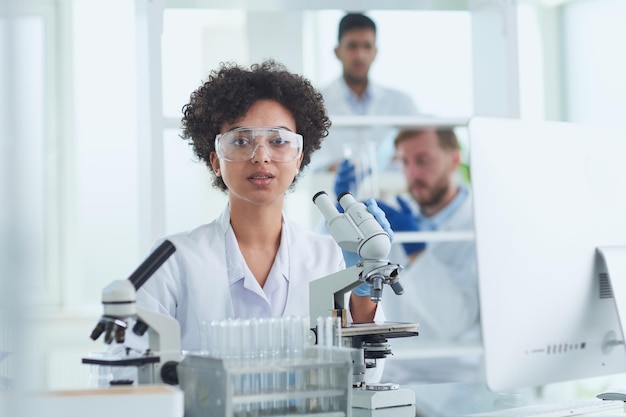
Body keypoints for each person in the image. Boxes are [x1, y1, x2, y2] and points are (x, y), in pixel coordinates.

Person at [131, 60, 389, 353]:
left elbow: (367, 371)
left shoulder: (327, 258)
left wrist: (364, 281)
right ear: (216, 160)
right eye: (241, 141)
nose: (261, 156)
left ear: (299, 157)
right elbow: (132, 365)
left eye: (278, 140)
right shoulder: (173, 261)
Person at [334, 127, 481, 383]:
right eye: (404, 162)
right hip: (395, 376)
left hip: (454, 384)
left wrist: (418, 252)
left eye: (423, 161)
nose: (412, 173)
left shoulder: (478, 226)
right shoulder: (399, 215)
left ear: (454, 159)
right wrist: (339, 215)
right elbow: (329, 259)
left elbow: (455, 321)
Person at [311, 12, 420, 173]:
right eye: (352, 46)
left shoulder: (401, 102)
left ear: (375, 52)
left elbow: (419, 147)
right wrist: (329, 167)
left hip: (389, 194)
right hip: (333, 195)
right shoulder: (314, 102)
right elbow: (303, 159)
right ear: (337, 51)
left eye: (367, 46)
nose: (360, 55)